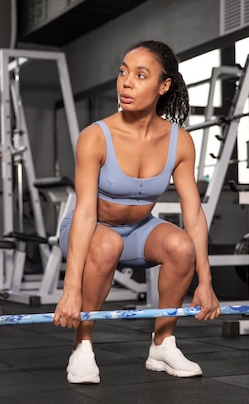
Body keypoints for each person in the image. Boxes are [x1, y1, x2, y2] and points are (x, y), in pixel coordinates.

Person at [53, 40, 221, 384]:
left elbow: (194, 214)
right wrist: (71, 288)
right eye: (123, 72)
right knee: (107, 244)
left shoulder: (179, 141)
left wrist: (205, 282)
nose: (126, 82)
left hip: (138, 231)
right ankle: (82, 346)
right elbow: (85, 213)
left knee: (181, 246)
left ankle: (163, 343)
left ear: (163, 86)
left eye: (141, 75)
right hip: (89, 229)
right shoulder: (95, 137)